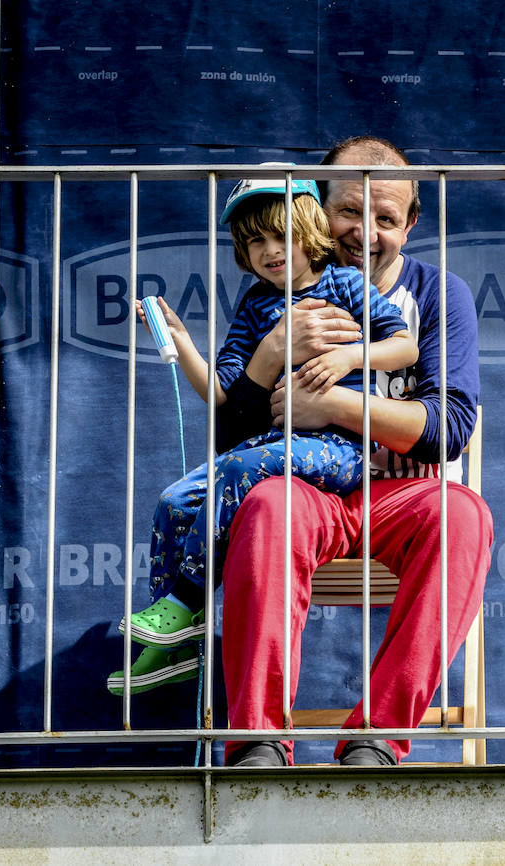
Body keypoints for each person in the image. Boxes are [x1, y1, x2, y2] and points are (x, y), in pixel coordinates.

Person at [218, 136, 493, 767]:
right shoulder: (273, 291)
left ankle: (376, 737)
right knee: (263, 506)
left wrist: (334, 405)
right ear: (315, 206)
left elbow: (449, 426)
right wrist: (267, 358)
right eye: (348, 211)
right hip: (304, 488)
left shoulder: (434, 294)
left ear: (411, 223)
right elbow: (231, 433)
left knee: (464, 518)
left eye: (386, 218)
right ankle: (257, 741)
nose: (364, 232)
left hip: (398, 496)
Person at [107, 172, 417, 695]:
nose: (271, 251)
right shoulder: (254, 307)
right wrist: (183, 344)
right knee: (175, 499)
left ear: (310, 232)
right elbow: (224, 395)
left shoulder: (343, 284)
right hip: (275, 448)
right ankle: (172, 644)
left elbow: (404, 346)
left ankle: (185, 600)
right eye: (256, 241)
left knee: (237, 466)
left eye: (282, 235)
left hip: (337, 449)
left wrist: (347, 354)